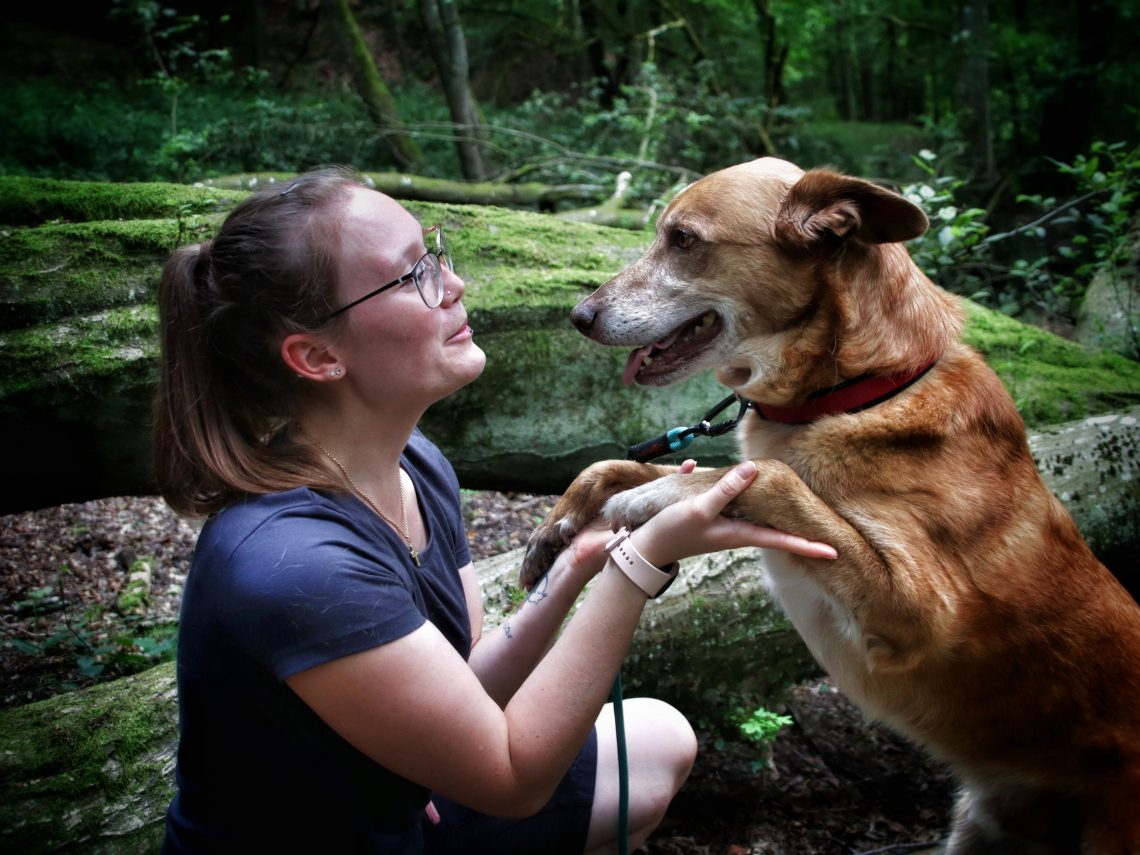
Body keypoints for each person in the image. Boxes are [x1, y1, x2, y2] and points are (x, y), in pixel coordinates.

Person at [153, 166, 837, 854]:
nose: (454, 284)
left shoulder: (414, 462)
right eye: (411, 275)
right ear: (316, 355)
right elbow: (512, 778)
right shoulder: (292, 565)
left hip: (407, 808)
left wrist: (575, 565)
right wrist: (637, 565)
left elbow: (469, 680)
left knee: (656, 739)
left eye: (435, 252)